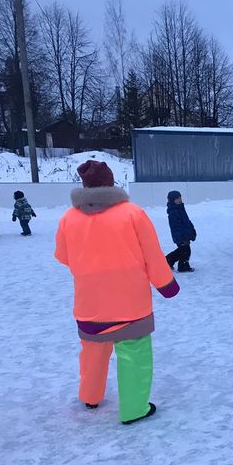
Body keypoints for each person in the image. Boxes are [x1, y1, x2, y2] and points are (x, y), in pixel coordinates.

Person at [54, 160, 179, 424]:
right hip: (130, 302)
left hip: (89, 301)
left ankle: (90, 396)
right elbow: (152, 255)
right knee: (134, 354)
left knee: (92, 351)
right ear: (111, 183)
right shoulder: (132, 213)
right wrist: (166, 284)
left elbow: (63, 256)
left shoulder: (68, 217)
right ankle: (134, 408)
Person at [164, 190, 196, 272]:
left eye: (180, 197)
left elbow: (187, 221)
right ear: (173, 200)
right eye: (177, 198)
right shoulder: (173, 212)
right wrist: (181, 237)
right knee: (185, 250)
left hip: (185, 234)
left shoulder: (180, 208)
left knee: (182, 250)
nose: (180, 199)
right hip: (180, 236)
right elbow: (175, 227)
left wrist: (192, 230)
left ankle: (168, 261)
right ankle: (183, 266)